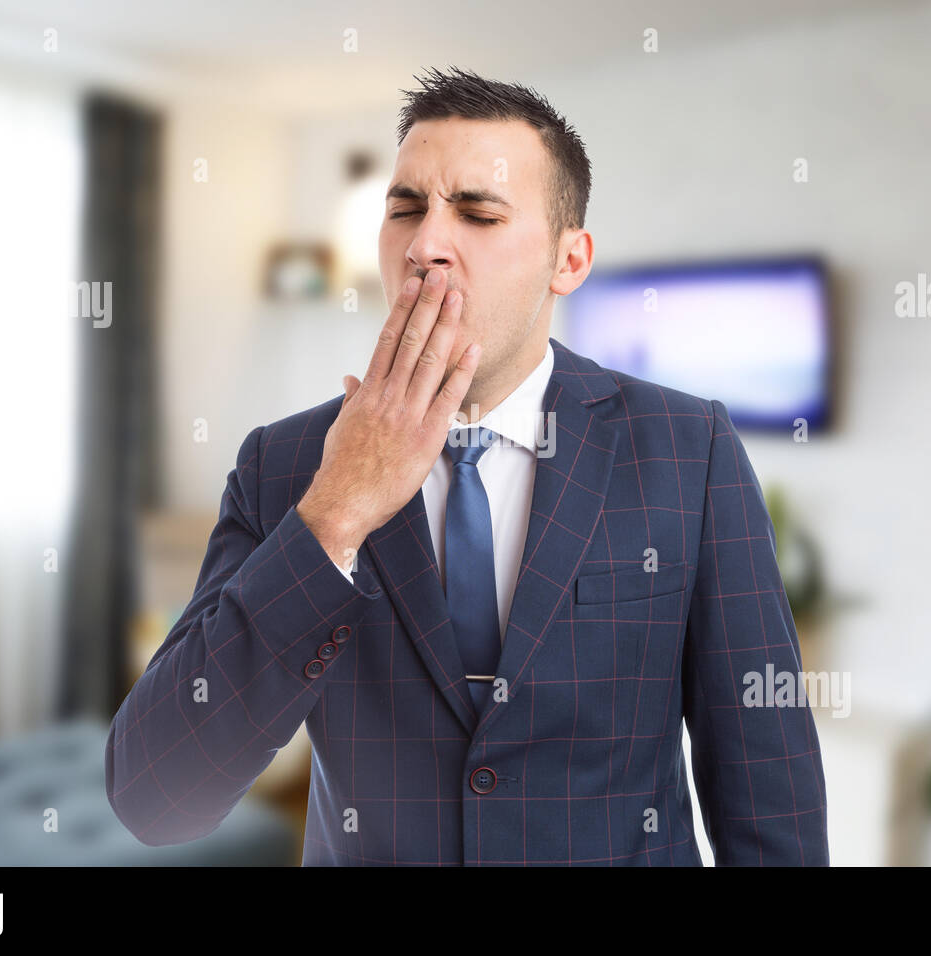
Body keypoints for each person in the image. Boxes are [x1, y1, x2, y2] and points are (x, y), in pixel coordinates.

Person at [106, 65, 828, 866]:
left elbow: (771, 803)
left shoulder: (688, 452)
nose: (424, 246)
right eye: (404, 209)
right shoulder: (283, 466)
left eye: (477, 213)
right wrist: (336, 513)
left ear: (570, 260)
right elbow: (155, 797)